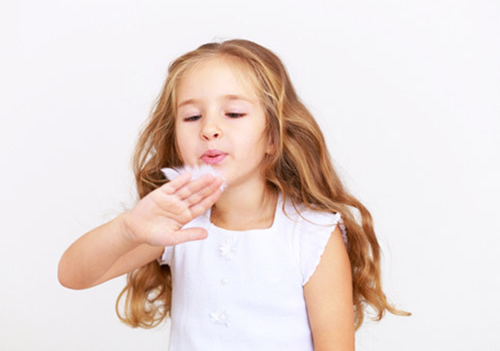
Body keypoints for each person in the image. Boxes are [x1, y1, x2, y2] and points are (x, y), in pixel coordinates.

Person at [58, 38, 410, 350]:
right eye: (192, 117)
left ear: (274, 136)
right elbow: (72, 275)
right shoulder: (177, 223)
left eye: (234, 113)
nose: (210, 128)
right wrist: (128, 229)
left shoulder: (312, 234)